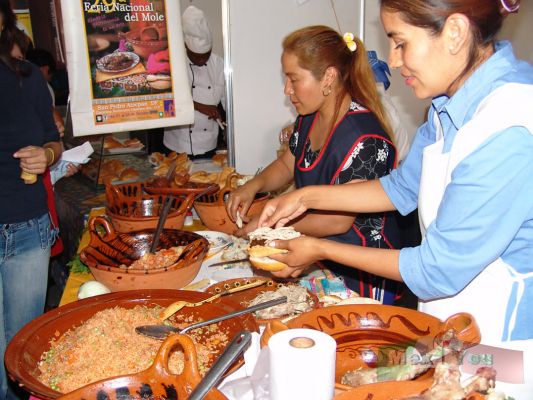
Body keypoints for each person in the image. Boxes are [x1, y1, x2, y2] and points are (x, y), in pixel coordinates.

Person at [257, 0, 533, 396]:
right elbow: (401, 188)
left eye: (401, 43)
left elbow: (435, 269)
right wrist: (304, 196)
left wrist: (319, 247)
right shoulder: (448, 106)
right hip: (452, 328)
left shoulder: (506, 128)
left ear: (454, 33)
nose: (393, 59)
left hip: (502, 350)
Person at [227, 25, 410, 305]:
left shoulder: (366, 138)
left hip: (363, 273)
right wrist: (254, 186)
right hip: (321, 258)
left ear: (328, 77)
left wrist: (269, 227)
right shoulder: (308, 118)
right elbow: (288, 164)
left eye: (293, 79)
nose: (287, 89)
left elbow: (337, 220)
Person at [0, 0, 62, 398]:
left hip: (27, 229)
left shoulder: (27, 78)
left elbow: (53, 140)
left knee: (20, 349)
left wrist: (48, 156)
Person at [163, 5, 226, 159]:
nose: (201, 60)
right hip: (176, 144)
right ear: (186, 46)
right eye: (196, 56)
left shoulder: (219, 64)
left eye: (206, 55)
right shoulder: (172, 64)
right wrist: (199, 106)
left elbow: (229, 101)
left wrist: (227, 120)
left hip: (209, 143)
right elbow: (164, 103)